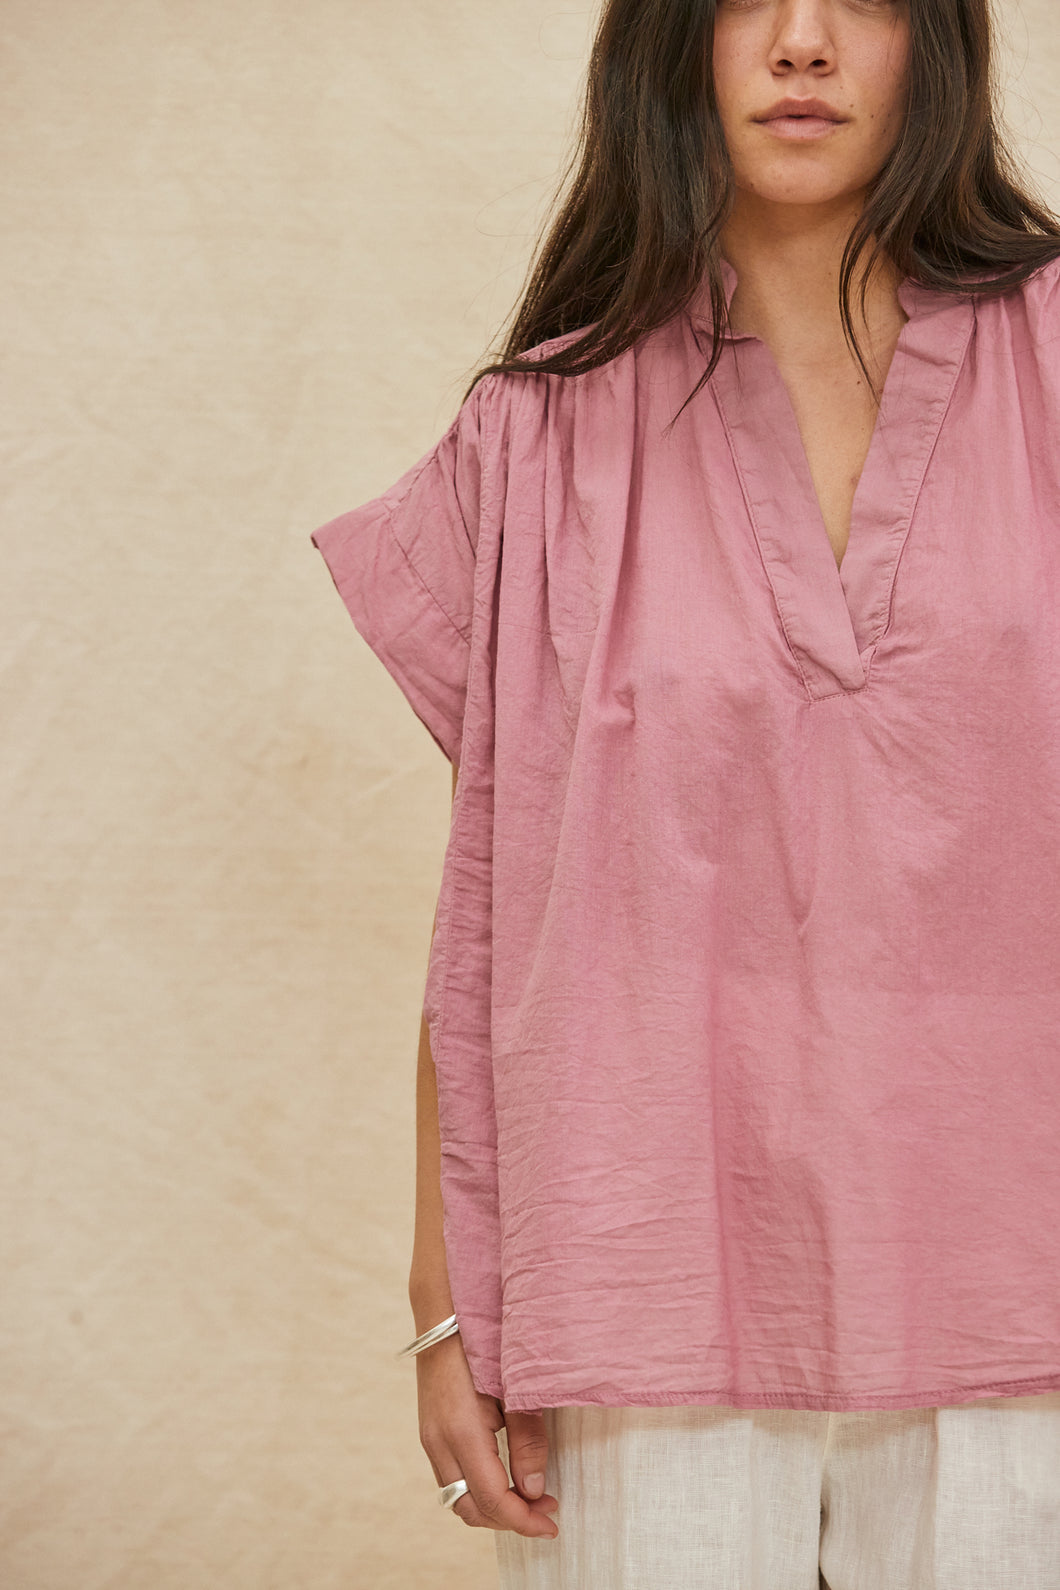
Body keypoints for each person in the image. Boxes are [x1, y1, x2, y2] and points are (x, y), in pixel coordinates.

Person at [311, 0, 1060, 1584]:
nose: (801, 42)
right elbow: (501, 900)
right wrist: (448, 1302)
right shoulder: (539, 433)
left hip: (1029, 1272)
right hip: (647, 1271)